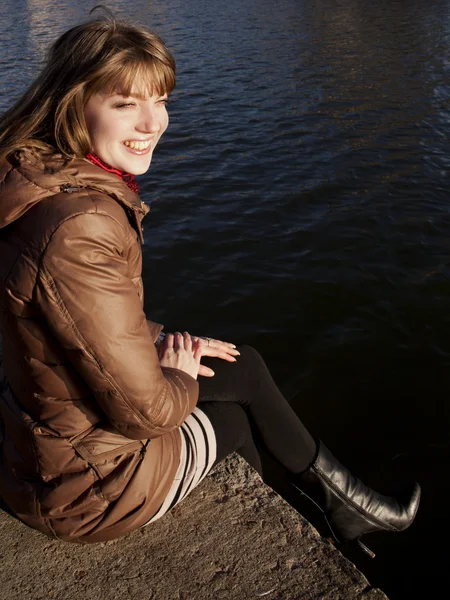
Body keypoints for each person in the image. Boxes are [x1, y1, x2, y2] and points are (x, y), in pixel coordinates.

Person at [0, 12, 420, 553]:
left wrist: (154, 340)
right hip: (86, 489)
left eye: (162, 100)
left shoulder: (35, 180)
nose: (154, 123)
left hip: (43, 447)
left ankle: (351, 509)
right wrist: (175, 373)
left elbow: (63, 311)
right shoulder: (81, 223)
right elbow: (148, 411)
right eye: (126, 104)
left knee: (237, 364)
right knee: (232, 426)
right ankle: (306, 542)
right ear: (74, 104)